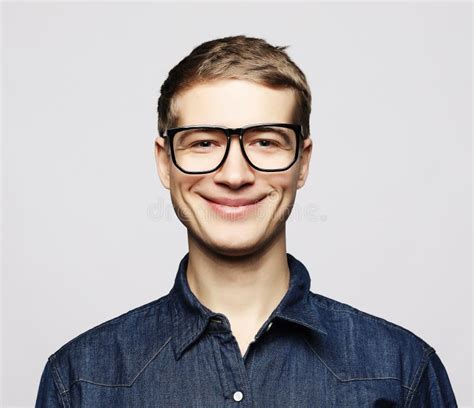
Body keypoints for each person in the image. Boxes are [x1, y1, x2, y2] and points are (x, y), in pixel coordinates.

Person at [35, 35, 457, 407]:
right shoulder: (81, 380)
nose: (235, 175)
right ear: (165, 164)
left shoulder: (402, 372)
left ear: (302, 162)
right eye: (203, 142)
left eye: (265, 142)